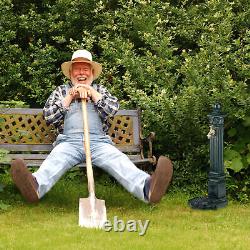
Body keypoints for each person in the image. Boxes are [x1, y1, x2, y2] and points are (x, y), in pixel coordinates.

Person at [10, 49, 173, 204]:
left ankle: (147, 188)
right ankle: (35, 186)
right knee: (55, 160)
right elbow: (49, 116)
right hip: (69, 143)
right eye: (77, 69)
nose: (81, 73)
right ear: (71, 73)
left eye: (85, 69)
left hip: (99, 143)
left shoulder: (101, 90)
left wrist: (92, 94)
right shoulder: (61, 91)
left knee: (118, 161)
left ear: (92, 73)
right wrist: (69, 98)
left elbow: (112, 110)